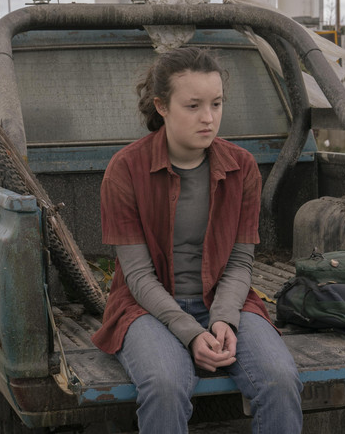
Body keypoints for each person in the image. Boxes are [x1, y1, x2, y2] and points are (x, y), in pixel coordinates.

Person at [91, 46, 303, 433]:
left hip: (224, 300)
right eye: (193, 106)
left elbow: (240, 262)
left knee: (279, 379)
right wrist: (191, 333)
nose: (208, 118)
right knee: (165, 386)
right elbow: (137, 275)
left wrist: (223, 319)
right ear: (162, 106)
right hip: (146, 307)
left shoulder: (242, 167)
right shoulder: (125, 169)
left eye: (216, 104)